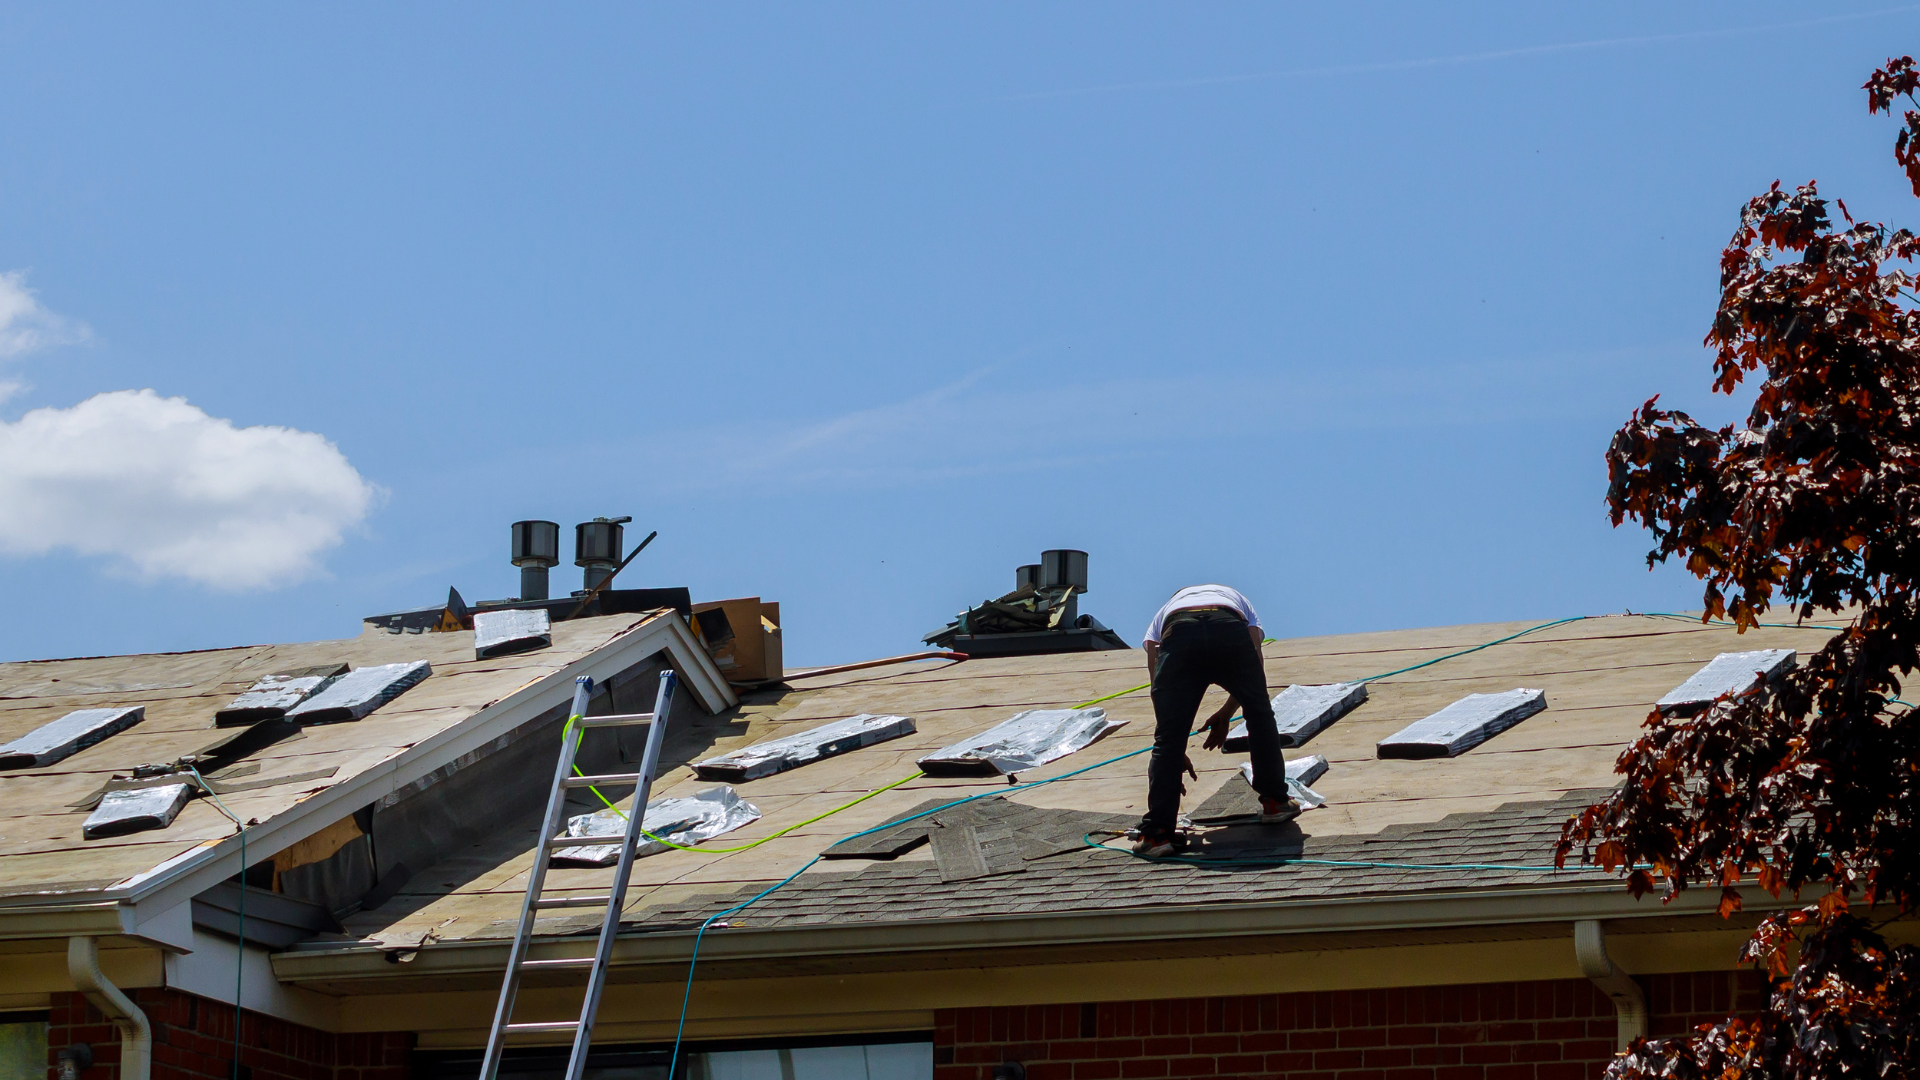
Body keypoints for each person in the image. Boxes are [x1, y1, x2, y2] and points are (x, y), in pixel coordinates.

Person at [1135, 584, 1299, 856]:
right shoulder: (1236, 599)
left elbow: (1156, 676)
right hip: (1227, 626)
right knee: (1260, 714)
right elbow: (1255, 669)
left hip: (1179, 633)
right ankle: (1275, 803)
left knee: (1167, 739)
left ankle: (1157, 836)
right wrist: (1228, 711)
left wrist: (1172, 747)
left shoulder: (1166, 611)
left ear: (1180, 595)